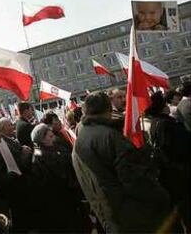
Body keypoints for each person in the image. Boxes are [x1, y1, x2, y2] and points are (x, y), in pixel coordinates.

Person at [72, 91, 171, 233]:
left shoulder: (80, 139)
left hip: (110, 216)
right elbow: (136, 179)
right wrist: (162, 197)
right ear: (109, 108)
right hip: (133, 216)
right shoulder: (109, 136)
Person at [146, 92, 190, 230]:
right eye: (164, 104)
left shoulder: (155, 122)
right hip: (181, 174)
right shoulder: (166, 124)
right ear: (161, 107)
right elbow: (181, 148)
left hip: (172, 175)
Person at [30, 123, 86, 233]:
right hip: (60, 198)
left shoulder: (51, 148)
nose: (53, 138)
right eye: (50, 137)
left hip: (67, 195)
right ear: (42, 140)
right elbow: (58, 173)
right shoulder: (40, 155)